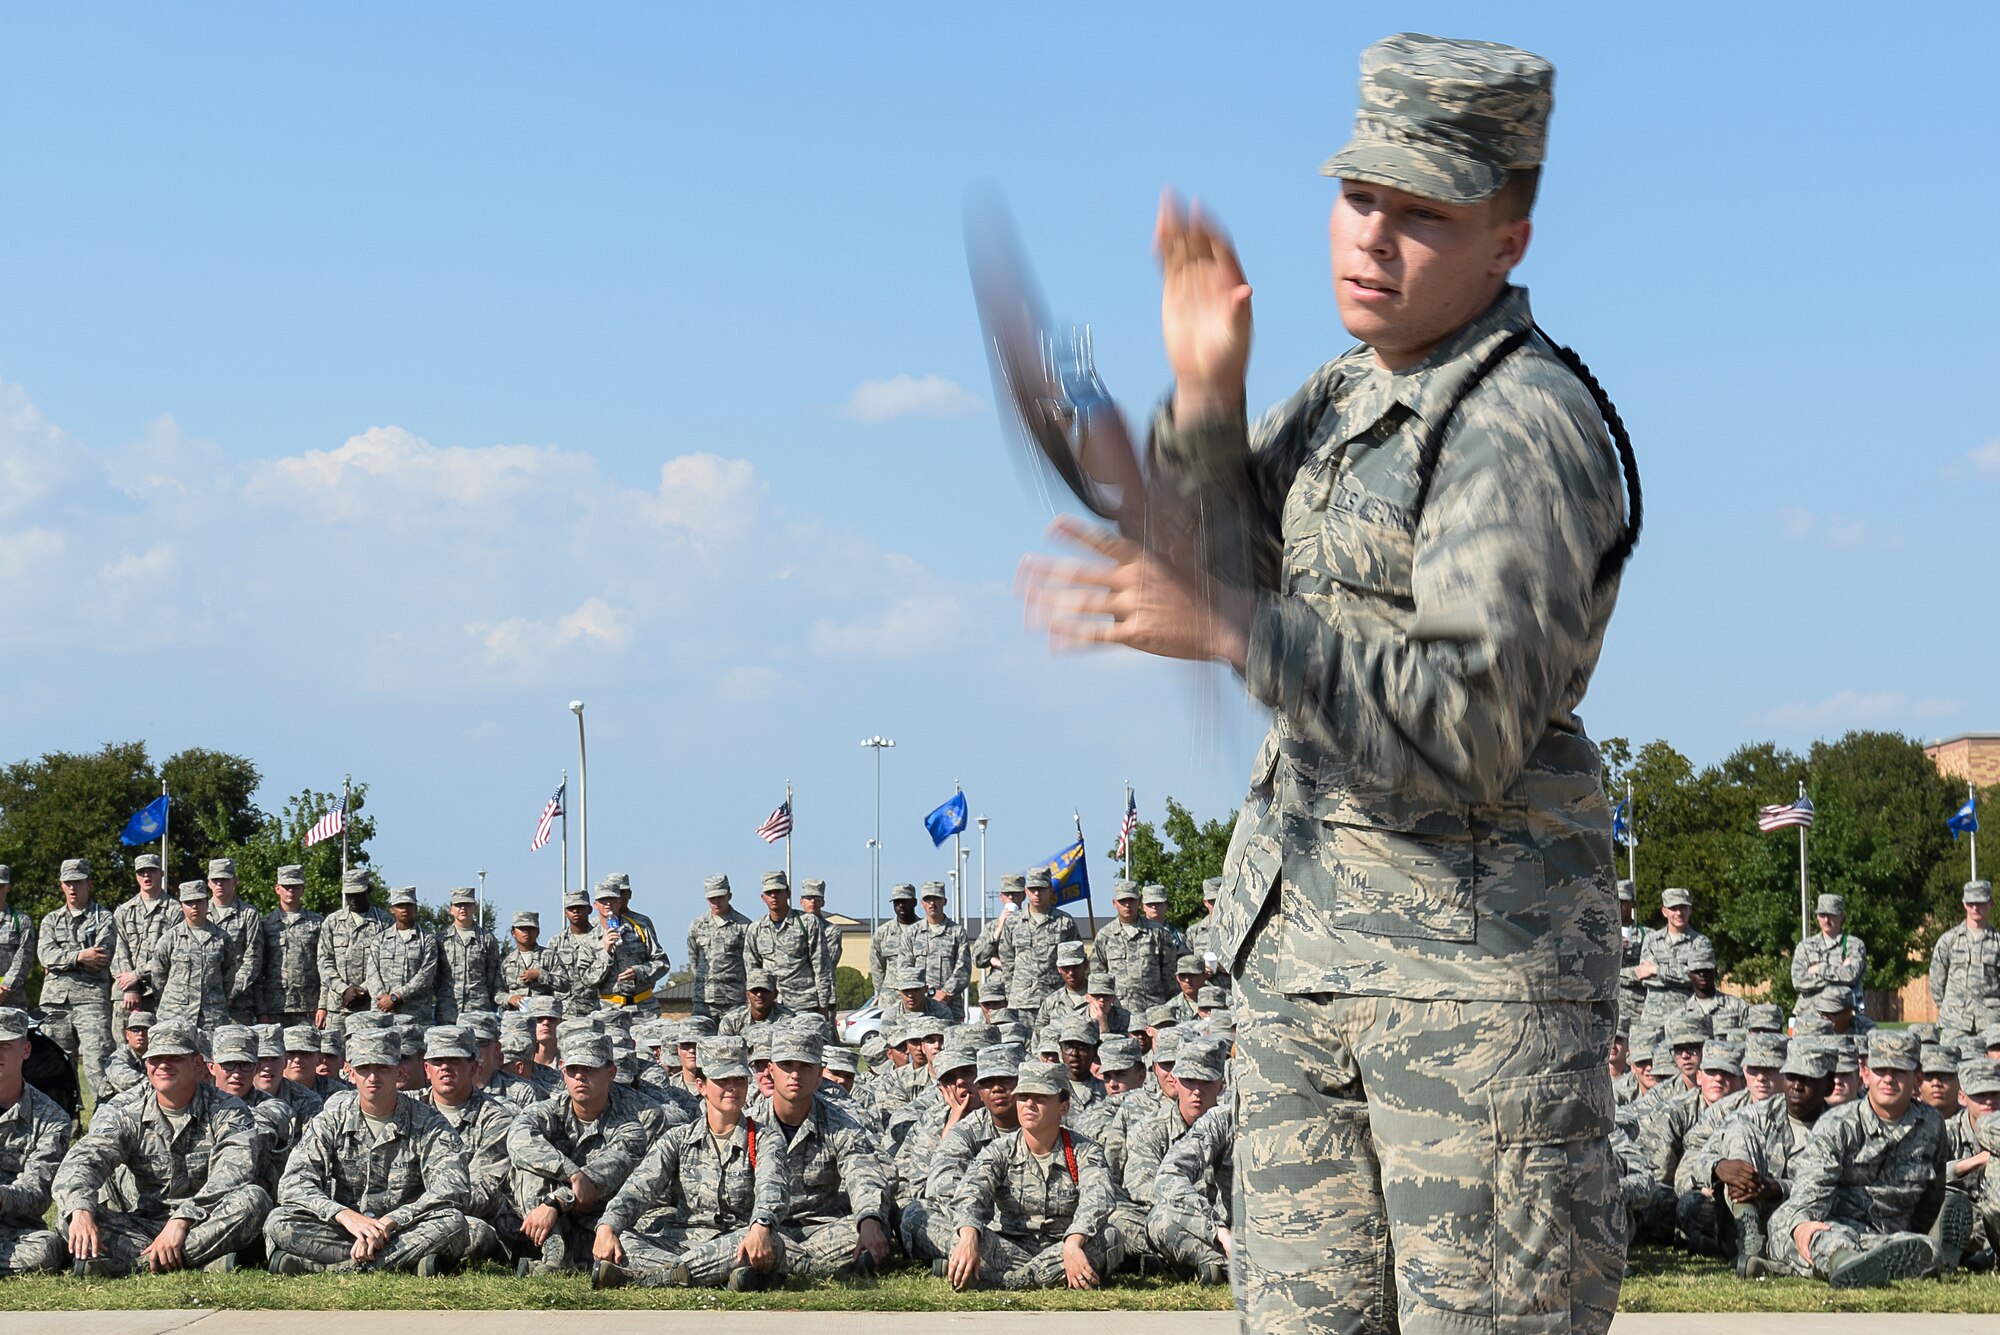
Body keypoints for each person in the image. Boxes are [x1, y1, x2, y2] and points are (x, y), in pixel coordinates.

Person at [1016, 31, 1635, 1331]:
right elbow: (1211, 562)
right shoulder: (1349, 393)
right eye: (1361, 198)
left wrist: (1239, 627)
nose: (1372, 238)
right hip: (1304, 962)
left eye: (1423, 213)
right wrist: (1205, 389)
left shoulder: (1520, 426)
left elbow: (1465, 719)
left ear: (1506, 239)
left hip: (1472, 991)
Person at [55, 1019, 269, 1275]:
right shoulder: (128, 1115)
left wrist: (183, 1218)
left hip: (204, 1221)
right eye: (156, 1058)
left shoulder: (229, 1110)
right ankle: (201, 1261)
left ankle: (136, 1265)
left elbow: (234, 1174)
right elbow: (85, 1158)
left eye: (175, 1057)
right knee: (68, 1217)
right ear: (146, 1065)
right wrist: (80, 1209)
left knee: (253, 1200)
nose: (164, 1065)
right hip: (146, 1225)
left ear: (198, 1063)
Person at [264, 1028, 469, 1275]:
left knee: (453, 1223)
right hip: (345, 1231)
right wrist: (344, 1216)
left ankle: (331, 1268)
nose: (373, 1077)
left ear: (399, 1072)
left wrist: (392, 1221)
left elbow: (452, 1189)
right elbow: (293, 1183)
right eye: (364, 1069)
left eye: (382, 1068)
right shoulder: (332, 1119)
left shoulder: (428, 1122)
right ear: (350, 1073)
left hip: (401, 1230)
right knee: (279, 1221)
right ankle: (400, 1264)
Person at [591, 1039, 790, 1290]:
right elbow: (640, 1187)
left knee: (769, 1238)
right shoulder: (679, 1138)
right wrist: (608, 1225)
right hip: (683, 1241)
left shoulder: (765, 1139)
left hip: (736, 1240)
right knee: (624, 1238)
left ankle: (652, 1277)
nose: (732, 1088)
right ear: (702, 1086)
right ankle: (707, 1276)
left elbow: (771, 1191)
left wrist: (761, 1225)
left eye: (739, 1080)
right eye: (721, 1080)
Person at [1772, 1031, 1955, 1287]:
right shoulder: (1837, 1125)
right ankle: (1845, 1264)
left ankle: (1886, 1260)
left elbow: (1932, 1197)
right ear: (1866, 1074)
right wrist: (1804, 1226)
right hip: (1836, 1222)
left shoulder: (1932, 1124)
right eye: (1881, 1070)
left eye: (1899, 1071)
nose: (1889, 1079)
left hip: (1893, 1234)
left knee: (1927, 1249)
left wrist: (1918, 1233)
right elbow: (1811, 1192)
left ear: (1918, 1078)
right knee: (1817, 1236)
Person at [944, 1061, 1122, 1290]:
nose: (1029, 1104)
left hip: (1064, 1247)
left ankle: (1005, 1281)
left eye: (1040, 1097)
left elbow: (1098, 1198)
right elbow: (971, 1193)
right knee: (960, 1237)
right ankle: (1040, 1279)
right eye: (1023, 1096)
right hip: (1011, 1250)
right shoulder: (1000, 1150)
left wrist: (1074, 1241)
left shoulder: (1084, 1151)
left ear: (1063, 1106)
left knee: (1110, 1237)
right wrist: (968, 1236)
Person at [507, 1026, 653, 1275]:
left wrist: (555, 1202)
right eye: (573, 1070)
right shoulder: (550, 1109)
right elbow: (519, 1138)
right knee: (526, 1166)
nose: (580, 1077)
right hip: (549, 1218)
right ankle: (554, 1252)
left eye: (589, 1069)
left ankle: (563, 1260)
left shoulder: (638, 1118)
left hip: (604, 1218)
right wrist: (570, 1174)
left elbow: (607, 1174)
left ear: (611, 1072)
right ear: (562, 1069)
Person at [755, 1029, 891, 1278]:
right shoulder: (751, 1124)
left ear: (819, 1075)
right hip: (766, 1226)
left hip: (823, 1228)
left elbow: (863, 1172)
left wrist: (869, 1219)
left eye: (805, 1066)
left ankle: (775, 1264)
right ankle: (813, 1267)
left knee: (869, 1228)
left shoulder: (840, 1123)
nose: (795, 1075)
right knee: (737, 1236)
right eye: (787, 1065)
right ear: (772, 1071)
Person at [415, 1024, 520, 1267]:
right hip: (410, 1213)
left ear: (473, 1067)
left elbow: (484, 1192)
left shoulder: (496, 1118)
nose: (445, 1067)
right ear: (426, 1068)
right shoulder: (410, 1109)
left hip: (467, 1216)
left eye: (454, 1060)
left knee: (476, 1234)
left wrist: (418, 1208)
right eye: (438, 1061)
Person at [38, 857, 119, 1096]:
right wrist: (81, 956)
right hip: (55, 1003)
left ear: (89, 884)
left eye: (78, 882)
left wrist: (63, 960)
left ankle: (104, 1123)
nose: (73, 888)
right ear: (61, 885)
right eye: (68, 882)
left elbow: (102, 956)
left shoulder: (104, 917)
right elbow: (45, 956)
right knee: (56, 1066)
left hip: (91, 1001)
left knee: (98, 1064)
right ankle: (65, 1123)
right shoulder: (51, 920)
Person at [0, 1007, 69, 1275]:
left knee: (46, 1249)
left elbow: (38, 1195)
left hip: (13, 1231)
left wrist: (2, 1196)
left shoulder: (51, 1118)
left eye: (4, 1045)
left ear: (25, 1051)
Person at [149, 880, 239, 1029]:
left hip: (212, 1016)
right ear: (182, 906)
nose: (194, 906)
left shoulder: (222, 938)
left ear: (207, 902)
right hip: (175, 1015)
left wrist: (215, 998)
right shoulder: (170, 938)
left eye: (199, 901)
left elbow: (228, 975)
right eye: (189, 902)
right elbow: (158, 975)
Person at [744, 870, 830, 1017]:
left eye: (778, 891)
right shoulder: (756, 929)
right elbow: (752, 970)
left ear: (788, 893)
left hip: (804, 1004)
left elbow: (821, 966)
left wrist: (823, 1004)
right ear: (762, 897)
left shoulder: (808, 923)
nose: (774, 896)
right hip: (770, 1007)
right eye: (769, 892)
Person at [997, 870, 1079, 1015]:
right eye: (1032, 889)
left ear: (1050, 890)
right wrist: (1011, 993)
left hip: (1056, 1000)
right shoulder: (1013, 922)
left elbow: (1075, 961)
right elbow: (1007, 961)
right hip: (1022, 1002)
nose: (1037, 894)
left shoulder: (1065, 922)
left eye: (1041, 889)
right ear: (1026, 891)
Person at [111, 853, 174, 1036]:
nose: (147, 876)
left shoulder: (176, 911)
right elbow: (117, 950)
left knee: (162, 1049)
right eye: (142, 872)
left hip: (160, 994)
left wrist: (137, 975)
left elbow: (171, 955)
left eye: (152, 871)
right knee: (124, 1051)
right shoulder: (123, 911)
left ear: (161, 874)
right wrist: (130, 987)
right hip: (125, 995)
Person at [317, 869, 391, 1024]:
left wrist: (361, 990)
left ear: (368, 890)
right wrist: (344, 989)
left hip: (372, 1006)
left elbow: (386, 964)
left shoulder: (384, 922)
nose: (353, 899)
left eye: (358, 894)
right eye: (349, 895)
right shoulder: (332, 922)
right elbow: (325, 962)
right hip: (338, 1007)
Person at [1093, 882, 1177, 1015]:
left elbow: (1170, 974)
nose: (1127, 905)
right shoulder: (1105, 935)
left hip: (1154, 1009)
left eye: (1131, 900)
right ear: (1114, 903)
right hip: (1119, 1012)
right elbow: (1098, 975)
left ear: (1139, 902)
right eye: (1122, 901)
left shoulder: (1157, 932)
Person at [1933, 882, 2000, 1043]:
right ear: (1964, 904)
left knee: (1992, 1068)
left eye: (1980, 903)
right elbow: (1937, 978)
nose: (1975, 908)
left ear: (1990, 903)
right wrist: (1948, 1006)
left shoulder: (1997, 943)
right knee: (1950, 1066)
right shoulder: (1949, 940)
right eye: (1971, 903)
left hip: (1989, 1023)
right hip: (1955, 1023)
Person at [1637, 888, 1712, 1030]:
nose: (1678, 913)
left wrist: (1656, 969)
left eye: (1683, 907)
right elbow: (1645, 977)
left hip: (1689, 1016)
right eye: (1673, 908)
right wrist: (1683, 974)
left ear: (1690, 909)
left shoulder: (1701, 942)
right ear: (1664, 911)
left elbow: (1701, 978)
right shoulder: (1651, 940)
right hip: (1654, 1019)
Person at [258, 865, 323, 1027]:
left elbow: (325, 966)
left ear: (303, 889)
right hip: (275, 1006)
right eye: (286, 887)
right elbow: (258, 969)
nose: (290, 891)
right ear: (277, 889)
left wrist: (323, 1005)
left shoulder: (318, 923)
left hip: (309, 1007)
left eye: (295, 886)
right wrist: (261, 1011)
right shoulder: (265, 924)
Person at [204, 859, 266, 1026]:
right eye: (215, 880)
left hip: (239, 1003)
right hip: (205, 1002)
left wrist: (231, 991)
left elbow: (253, 958)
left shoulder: (248, 914)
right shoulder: (200, 913)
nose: (219, 884)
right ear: (209, 883)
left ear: (235, 881)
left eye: (224, 880)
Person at [364, 886, 440, 1021]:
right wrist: (384, 1000)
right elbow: (372, 972)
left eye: (408, 905)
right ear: (392, 909)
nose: (404, 909)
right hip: (383, 1013)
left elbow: (425, 976)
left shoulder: (427, 939)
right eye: (399, 905)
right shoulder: (380, 939)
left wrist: (396, 997)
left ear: (416, 908)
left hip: (415, 1014)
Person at [687, 875, 752, 1020]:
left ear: (729, 895)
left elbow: (751, 963)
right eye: (712, 899)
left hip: (734, 1000)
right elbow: (694, 958)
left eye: (720, 897)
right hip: (704, 1000)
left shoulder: (745, 926)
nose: (716, 902)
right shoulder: (697, 925)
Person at [1793, 893, 1866, 1012]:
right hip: (1810, 1014)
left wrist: (1819, 969)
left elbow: (1851, 976)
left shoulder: (1854, 944)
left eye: (1832, 915)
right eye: (1822, 915)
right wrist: (1840, 970)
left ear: (1841, 916)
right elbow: (1798, 981)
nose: (1826, 920)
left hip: (1844, 1016)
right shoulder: (1805, 947)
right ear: (1817, 916)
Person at [551, 888, 614, 1018]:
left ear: (590, 910)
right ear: (565, 913)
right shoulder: (556, 942)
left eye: (580, 907)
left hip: (596, 1009)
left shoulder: (603, 938)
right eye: (571, 908)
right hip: (564, 1012)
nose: (575, 911)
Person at [912, 882, 972, 1022]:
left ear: (945, 901)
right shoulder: (912, 933)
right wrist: (928, 993)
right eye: (928, 899)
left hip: (951, 1006)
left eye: (937, 899)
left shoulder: (957, 932)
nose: (932, 903)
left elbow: (963, 969)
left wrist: (945, 993)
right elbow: (904, 968)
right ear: (922, 903)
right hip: (921, 1005)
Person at [797, 879, 843, 1016]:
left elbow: (827, 961)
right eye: (808, 898)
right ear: (801, 901)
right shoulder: (792, 928)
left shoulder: (831, 930)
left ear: (823, 902)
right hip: (794, 994)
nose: (812, 902)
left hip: (822, 995)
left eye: (817, 898)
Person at [499, 909, 560, 1011]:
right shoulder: (507, 961)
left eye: (531, 928)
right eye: (522, 928)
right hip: (516, 1018)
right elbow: (497, 991)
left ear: (538, 932)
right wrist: (509, 998)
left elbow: (565, 984)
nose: (526, 932)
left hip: (542, 1015)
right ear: (513, 932)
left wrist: (541, 975)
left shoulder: (549, 956)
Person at [0, 867, 32, 1010]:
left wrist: (5, 987)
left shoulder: (21, 921)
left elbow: (23, 958)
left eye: (0, 886)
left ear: (8, 887)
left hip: (12, 1002)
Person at [1140, 885, 1186, 958]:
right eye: (1150, 904)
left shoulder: (1179, 937)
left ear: (1166, 906)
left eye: (1158, 903)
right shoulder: (1134, 934)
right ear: (1143, 907)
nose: (1154, 907)